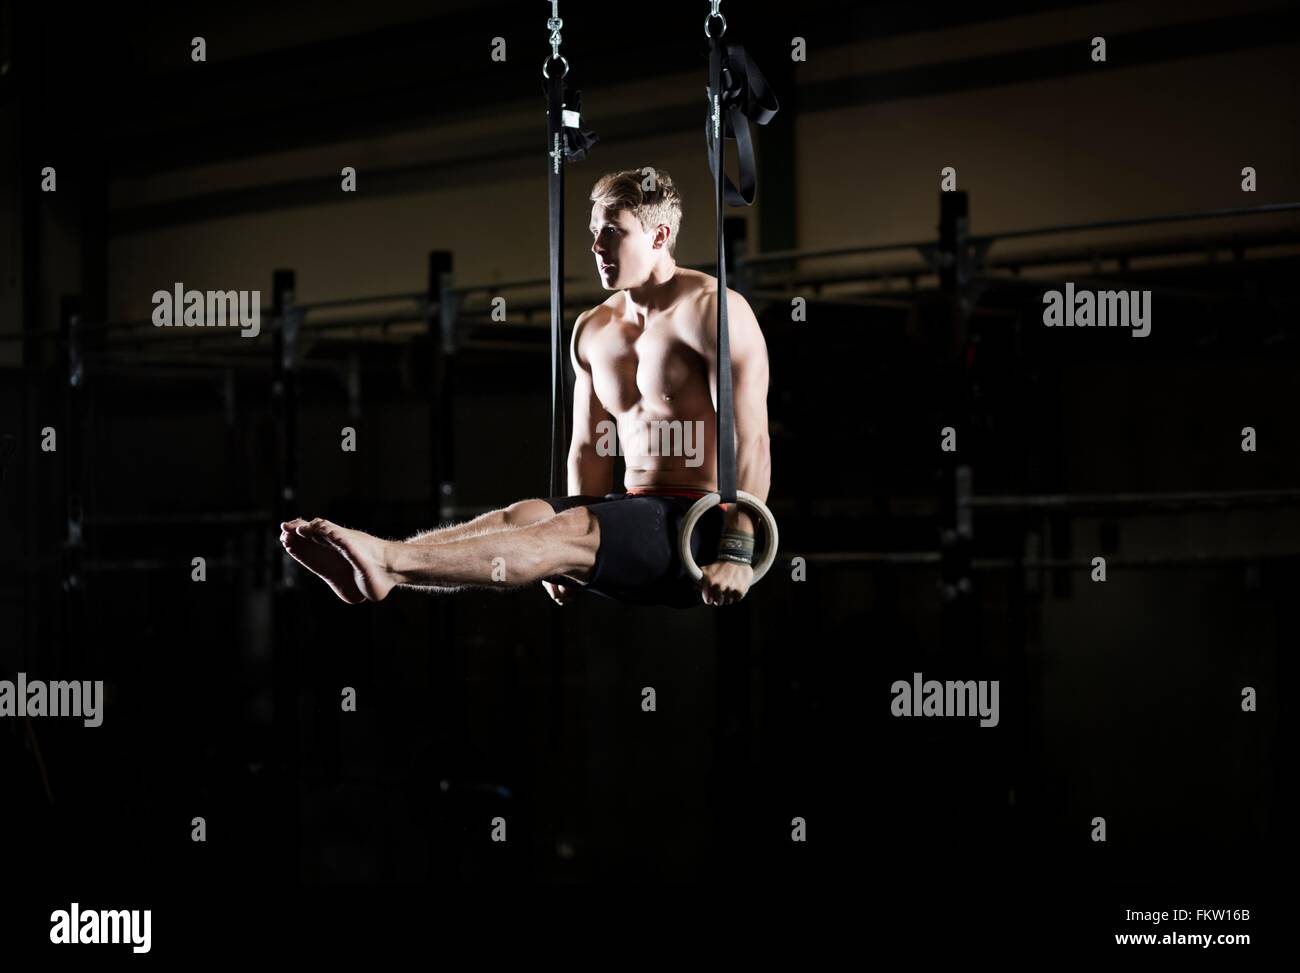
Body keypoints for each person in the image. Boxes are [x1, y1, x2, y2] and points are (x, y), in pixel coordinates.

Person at [280, 167, 771, 608]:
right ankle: (388, 564)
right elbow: (587, 449)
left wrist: (738, 551)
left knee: (564, 529)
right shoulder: (594, 328)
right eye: (593, 231)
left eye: (613, 231)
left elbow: (751, 438)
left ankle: (387, 561)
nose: (597, 246)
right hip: (634, 514)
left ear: (660, 235)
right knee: (522, 517)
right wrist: (564, 558)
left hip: (697, 529)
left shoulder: (713, 310)